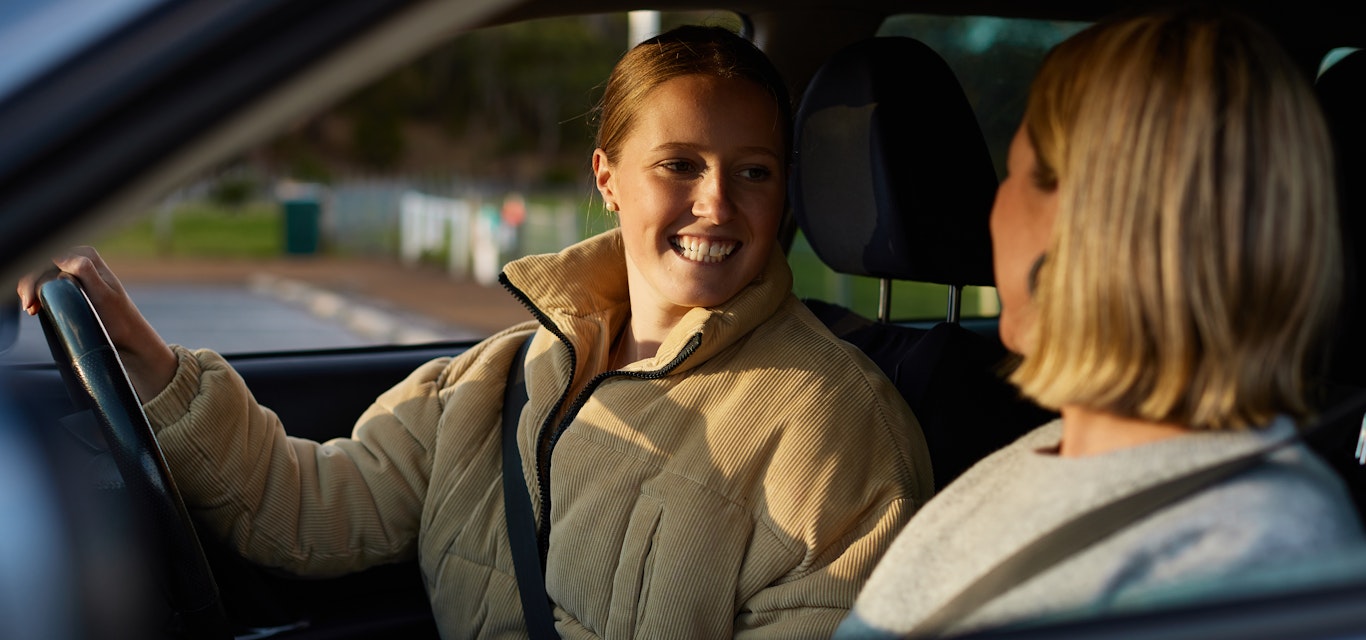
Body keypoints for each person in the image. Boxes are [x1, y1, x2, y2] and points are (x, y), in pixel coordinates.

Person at [18, 25, 934, 639]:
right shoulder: (503, 373)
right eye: (680, 165)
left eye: (756, 172)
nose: (716, 203)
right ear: (608, 177)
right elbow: (305, 510)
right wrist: (149, 358)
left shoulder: (835, 422)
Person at [834, 6, 1365, 638]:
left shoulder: (1256, 557)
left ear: (1097, 226)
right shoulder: (1037, 456)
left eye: (1019, 173)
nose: (995, 206)